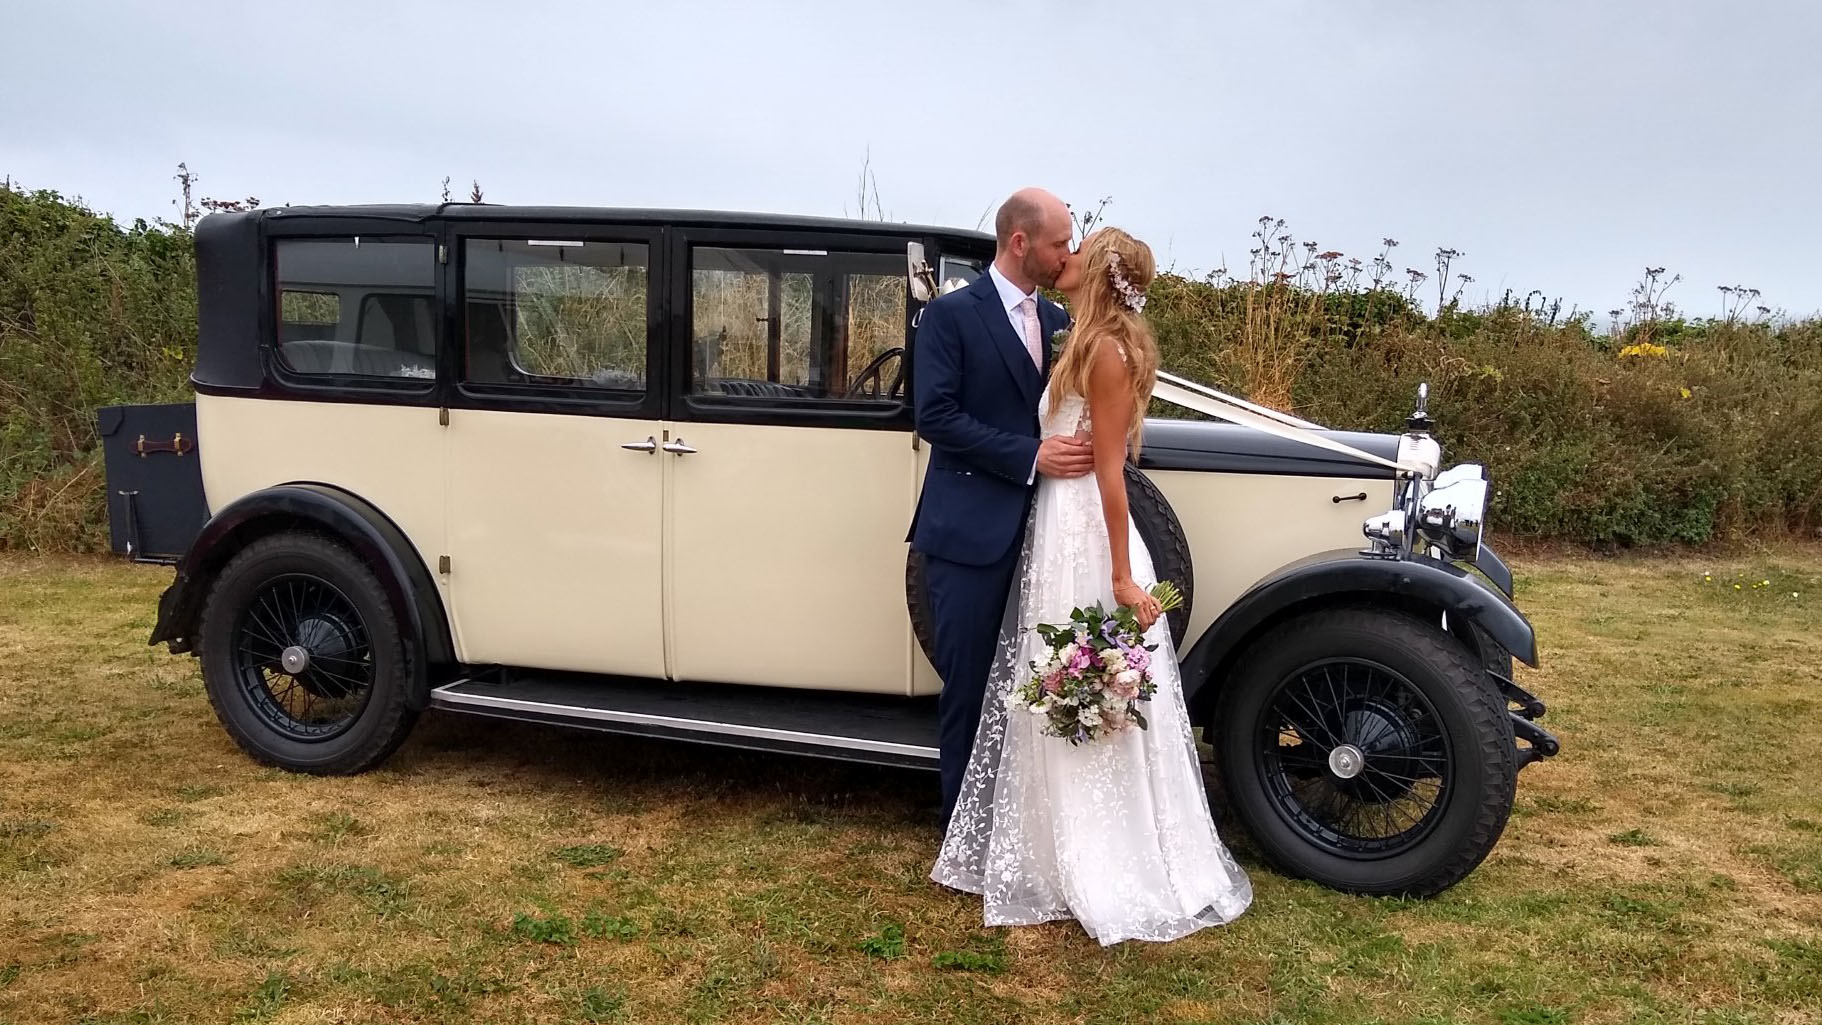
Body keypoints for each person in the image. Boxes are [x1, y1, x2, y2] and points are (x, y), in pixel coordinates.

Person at [927, 225, 1253, 946]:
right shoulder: (1076, 333)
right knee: (1049, 676)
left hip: (1084, 532)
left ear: (1100, 274)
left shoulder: (1106, 350)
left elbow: (1112, 471)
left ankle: (1097, 851)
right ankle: (1050, 839)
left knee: (1074, 674)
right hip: (1052, 522)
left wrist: (1118, 572)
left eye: (1078, 251)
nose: (1063, 259)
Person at [907, 187, 1092, 831]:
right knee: (969, 683)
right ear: (1020, 242)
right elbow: (935, 416)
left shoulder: (1061, 323)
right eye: (1059, 243)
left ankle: (1028, 825)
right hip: (968, 533)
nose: (1067, 253)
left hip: (1050, 530)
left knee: (1040, 676)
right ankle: (964, 828)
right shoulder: (951, 317)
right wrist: (1030, 456)